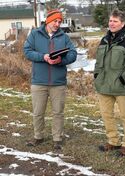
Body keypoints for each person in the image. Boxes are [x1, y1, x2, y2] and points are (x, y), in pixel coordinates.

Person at [23, 9, 77, 150]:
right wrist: (43, 57)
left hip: (58, 83)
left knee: (58, 112)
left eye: (59, 21)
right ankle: (38, 137)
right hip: (38, 82)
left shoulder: (64, 37)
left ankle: (57, 139)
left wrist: (60, 60)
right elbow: (27, 52)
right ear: (48, 21)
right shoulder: (35, 34)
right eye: (55, 21)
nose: (58, 24)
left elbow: (73, 54)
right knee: (38, 112)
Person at [94, 9, 125, 157]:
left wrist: (123, 79)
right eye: (110, 21)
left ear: (123, 23)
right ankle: (113, 141)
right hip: (104, 86)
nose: (111, 24)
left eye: (115, 21)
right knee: (107, 115)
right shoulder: (104, 40)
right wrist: (96, 76)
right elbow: (98, 62)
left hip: (120, 87)